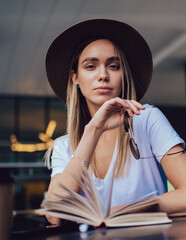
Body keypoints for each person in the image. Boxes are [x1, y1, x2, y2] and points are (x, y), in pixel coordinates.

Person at [44, 19, 186, 225]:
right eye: (91, 66)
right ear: (75, 78)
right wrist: (94, 129)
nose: (103, 75)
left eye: (113, 66)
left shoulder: (146, 120)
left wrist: (124, 211)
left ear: (123, 75)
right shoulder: (63, 147)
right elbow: (54, 215)